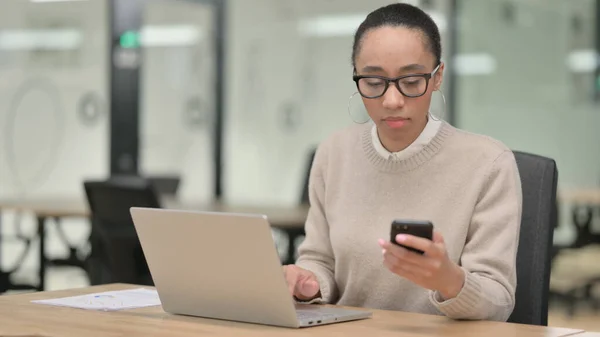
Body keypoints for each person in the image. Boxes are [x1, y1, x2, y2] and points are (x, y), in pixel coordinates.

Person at [283, 3, 522, 322]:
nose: (392, 101)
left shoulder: (489, 164)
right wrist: (307, 282)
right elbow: (319, 260)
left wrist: (449, 280)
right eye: (373, 81)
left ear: (438, 77)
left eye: (411, 82)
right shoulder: (333, 153)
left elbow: (499, 300)